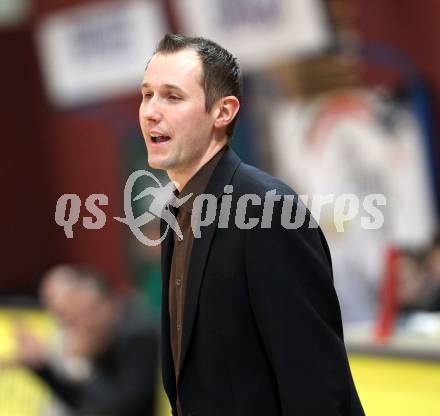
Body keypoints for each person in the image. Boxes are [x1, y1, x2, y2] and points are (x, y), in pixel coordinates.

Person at [139, 34, 365, 416]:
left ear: (223, 112)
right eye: (146, 95)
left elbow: (315, 378)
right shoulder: (174, 212)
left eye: (172, 97)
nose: (150, 112)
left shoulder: (266, 209)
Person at [17, 266, 159, 416]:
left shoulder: (138, 336)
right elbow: (81, 401)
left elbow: (123, 408)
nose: (83, 325)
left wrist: (90, 364)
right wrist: (43, 369)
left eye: (88, 312)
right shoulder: (101, 342)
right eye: (74, 319)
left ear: (109, 303)